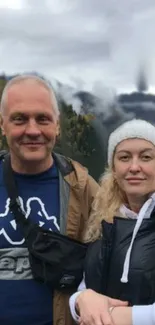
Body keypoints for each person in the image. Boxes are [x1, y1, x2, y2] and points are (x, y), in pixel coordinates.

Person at [0, 73, 99, 325]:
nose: (32, 130)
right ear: (3, 125)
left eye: (42, 119)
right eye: (19, 119)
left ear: (57, 125)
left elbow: (118, 255)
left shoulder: (82, 187)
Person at [70, 119, 155, 325]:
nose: (134, 167)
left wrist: (119, 317)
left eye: (146, 157)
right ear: (114, 169)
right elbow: (84, 287)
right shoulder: (103, 219)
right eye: (124, 157)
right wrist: (80, 300)